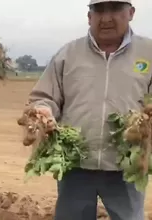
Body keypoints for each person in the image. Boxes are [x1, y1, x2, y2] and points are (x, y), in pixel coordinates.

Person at [27, 0, 152, 219]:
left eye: (114, 9)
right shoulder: (68, 54)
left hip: (127, 167)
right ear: (89, 16)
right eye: (99, 10)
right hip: (75, 165)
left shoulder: (148, 52)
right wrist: (43, 111)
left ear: (131, 13)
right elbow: (44, 96)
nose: (106, 18)